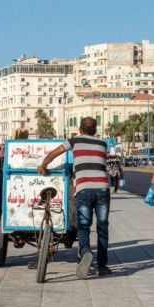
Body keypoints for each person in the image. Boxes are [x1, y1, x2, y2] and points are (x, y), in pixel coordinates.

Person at [38, 116, 112, 279]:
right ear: (95, 130)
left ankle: (85, 251)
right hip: (103, 188)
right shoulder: (103, 144)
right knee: (102, 228)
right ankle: (102, 266)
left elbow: (53, 154)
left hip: (84, 188)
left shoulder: (73, 141)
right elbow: (99, 164)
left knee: (84, 226)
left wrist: (43, 166)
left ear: (80, 129)